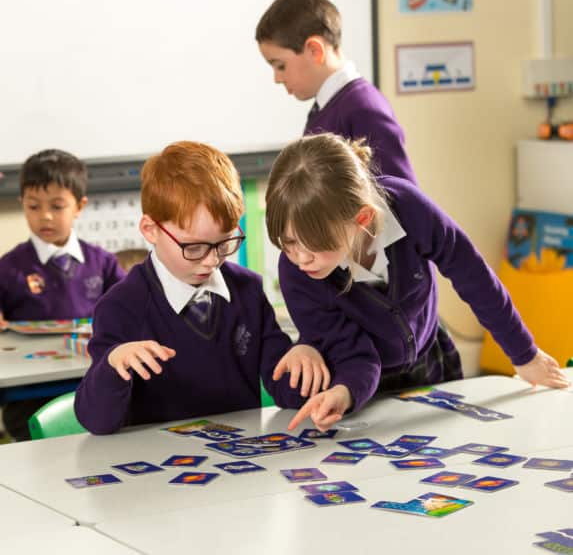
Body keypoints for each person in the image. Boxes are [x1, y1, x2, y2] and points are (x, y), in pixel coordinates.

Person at [264, 134, 570, 431]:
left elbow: (474, 277)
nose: (301, 258)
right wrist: (345, 393)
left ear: (362, 219)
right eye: (288, 243)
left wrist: (524, 354)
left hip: (430, 358)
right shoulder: (298, 276)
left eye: (315, 245)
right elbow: (351, 352)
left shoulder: (408, 208)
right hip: (359, 377)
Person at [74, 141, 329, 435]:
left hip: (239, 458)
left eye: (224, 243)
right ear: (151, 230)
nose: (211, 260)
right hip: (157, 468)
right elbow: (96, 421)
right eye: (194, 247)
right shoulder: (121, 305)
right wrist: (113, 364)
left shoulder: (247, 290)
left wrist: (305, 354)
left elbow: (287, 390)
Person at [0, 149, 125, 440]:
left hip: (91, 378)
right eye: (33, 206)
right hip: (28, 392)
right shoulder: (8, 267)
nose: (44, 216)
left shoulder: (102, 262)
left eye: (57, 206)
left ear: (79, 206)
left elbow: (127, 308)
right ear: (22, 204)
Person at [256, 0, 417, 184]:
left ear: (315, 50)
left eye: (280, 66)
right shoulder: (325, 106)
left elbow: (402, 199)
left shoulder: (363, 109)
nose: (277, 78)